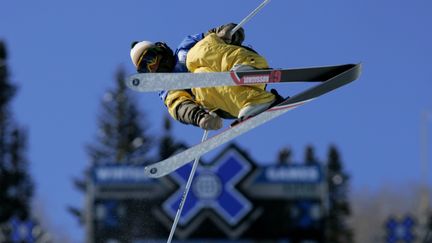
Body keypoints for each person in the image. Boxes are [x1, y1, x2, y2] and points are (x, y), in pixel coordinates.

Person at [130, 23, 281, 131]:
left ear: (159, 49)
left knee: (193, 55)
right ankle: (257, 101)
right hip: (230, 101)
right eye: (146, 68)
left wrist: (227, 31)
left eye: (151, 59)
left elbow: (214, 35)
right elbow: (179, 106)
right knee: (199, 81)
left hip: (246, 64)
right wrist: (200, 117)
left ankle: (246, 70)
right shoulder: (169, 88)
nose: (153, 67)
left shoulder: (186, 46)